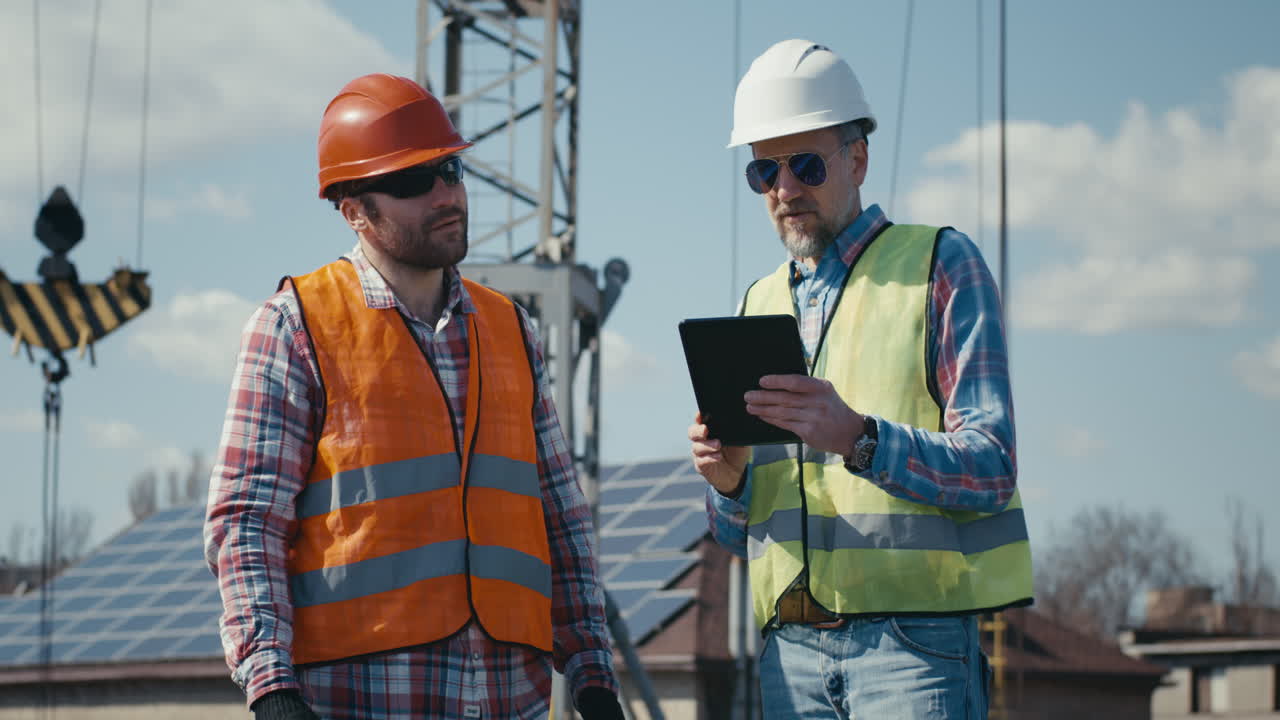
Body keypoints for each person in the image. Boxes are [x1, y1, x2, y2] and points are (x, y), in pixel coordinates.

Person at [204, 73, 624, 720]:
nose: (445, 194)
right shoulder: (295, 326)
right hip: (361, 698)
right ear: (352, 210)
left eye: (449, 170)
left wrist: (594, 672)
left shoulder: (512, 331)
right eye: (410, 182)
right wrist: (271, 687)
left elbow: (559, 516)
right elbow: (246, 523)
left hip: (510, 695)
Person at [689, 40, 1034, 718]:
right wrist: (728, 482)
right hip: (789, 656)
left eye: (807, 165)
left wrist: (860, 438)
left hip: (914, 648)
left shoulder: (940, 264)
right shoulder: (756, 304)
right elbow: (736, 535)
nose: (786, 190)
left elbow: (992, 467)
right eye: (765, 171)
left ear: (858, 159)